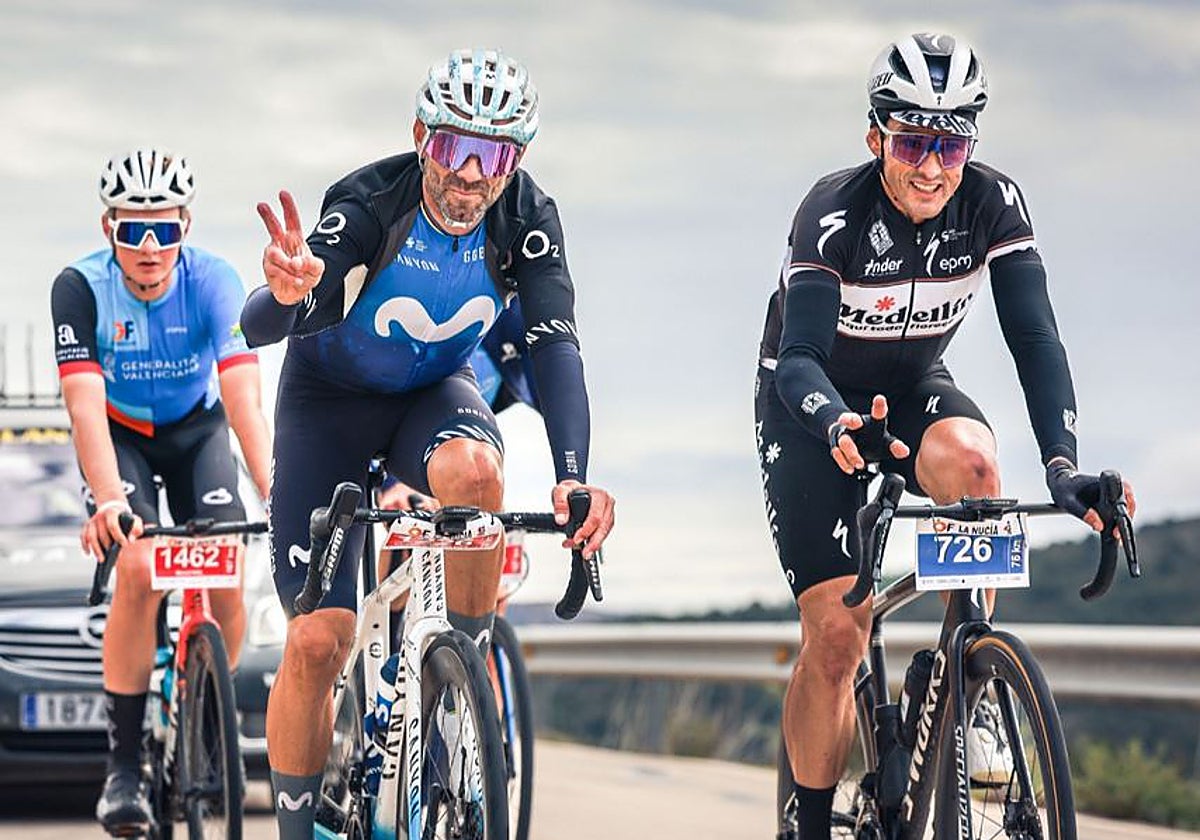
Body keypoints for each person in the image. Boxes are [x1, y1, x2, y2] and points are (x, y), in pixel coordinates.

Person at [754, 33, 1136, 838]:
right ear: (876, 138)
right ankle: (812, 821)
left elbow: (1035, 339)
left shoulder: (993, 203)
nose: (932, 166)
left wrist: (1062, 465)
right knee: (837, 636)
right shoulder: (832, 212)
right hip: (811, 404)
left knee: (975, 465)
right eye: (912, 143)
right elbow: (798, 360)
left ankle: (973, 686)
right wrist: (834, 422)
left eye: (951, 144)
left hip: (910, 389)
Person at [239, 48, 616, 839]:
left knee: (477, 472)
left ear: (516, 162)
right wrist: (283, 294)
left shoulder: (527, 220)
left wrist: (573, 475)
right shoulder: (371, 203)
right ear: (421, 138)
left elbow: (555, 345)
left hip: (431, 395)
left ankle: (459, 696)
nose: (471, 176)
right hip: (329, 407)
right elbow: (267, 322)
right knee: (317, 641)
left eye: (495, 156)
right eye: (455, 148)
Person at [50, 147, 272, 835]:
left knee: (226, 561)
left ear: (187, 227)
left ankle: (205, 714)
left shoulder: (215, 280)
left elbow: (243, 398)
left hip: (197, 432)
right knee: (142, 566)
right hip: (122, 438)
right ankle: (124, 768)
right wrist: (109, 500)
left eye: (166, 229)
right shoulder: (80, 287)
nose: (150, 246)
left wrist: (278, 490)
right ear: (107, 228)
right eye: (133, 229)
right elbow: (84, 408)